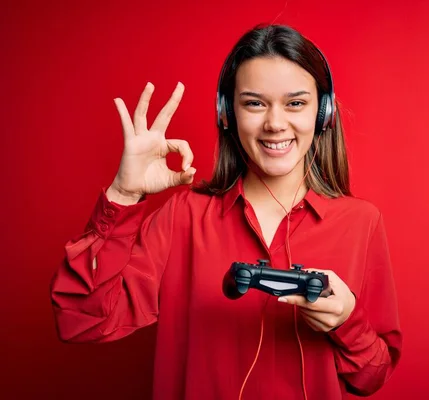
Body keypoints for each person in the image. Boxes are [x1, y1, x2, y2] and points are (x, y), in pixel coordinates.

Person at [50, 23, 403, 400]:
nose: (275, 123)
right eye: (254, 103)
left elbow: (371, 377)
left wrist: (347, 322)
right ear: (227, 112)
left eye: (296, 103)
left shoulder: (361, 222)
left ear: (324, 112)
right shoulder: (184, 216)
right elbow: (79, 320)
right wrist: (123, 192)